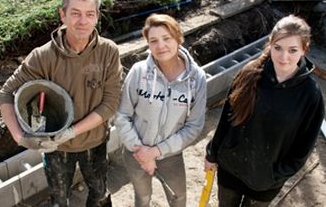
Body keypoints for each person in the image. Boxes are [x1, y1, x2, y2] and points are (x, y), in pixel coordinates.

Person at [0, 0, 122, 207]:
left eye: (89, 14)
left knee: (100, 193)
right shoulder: (43, 56)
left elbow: (110, 104)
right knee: (59, 199)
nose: (82, 21)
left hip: (95, 142)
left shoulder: (108, 52)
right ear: (62, 15)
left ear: (96, 17)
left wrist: (73, 131)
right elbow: (6, 94)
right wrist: (20, 137)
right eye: (75, 13)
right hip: (56, 147)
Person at [204, 15, 325, 207]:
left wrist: (274, 175)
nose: (284, 57)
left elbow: (303, 148)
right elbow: (227, 119)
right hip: (229, 169)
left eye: (293, 50)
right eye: (278, 48)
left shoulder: (311, 96)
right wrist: (212, 153)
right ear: (270, 44)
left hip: (265, 184)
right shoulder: (249, 74)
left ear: (304, 49)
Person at [115, 14, 207, 207]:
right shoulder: (139, 72)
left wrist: (156, 151)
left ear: (178, 38)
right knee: (142, 197)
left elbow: (194, 126)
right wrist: (140, 151)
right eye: (153, 41)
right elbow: (122, 115)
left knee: (178, 198)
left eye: (167, 38)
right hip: (135, 152)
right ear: (148, 44)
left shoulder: (196, 78)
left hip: (169, 156)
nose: (161, 46)